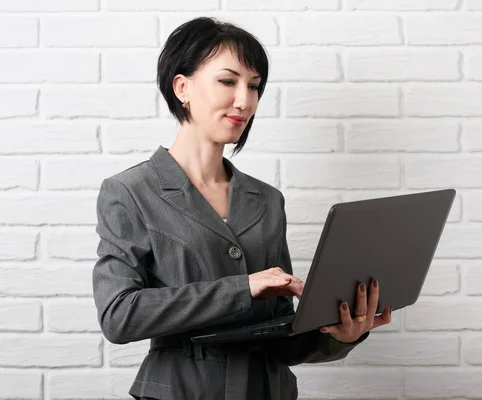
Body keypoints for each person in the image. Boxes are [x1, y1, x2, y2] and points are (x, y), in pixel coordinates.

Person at [92, 16, 392, 400]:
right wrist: (244, 287)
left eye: (254, 86)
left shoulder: (267, 200)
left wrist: (340, 334)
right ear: (182, 87)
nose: (245, 101)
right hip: (182, 391)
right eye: (228, 81)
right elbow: (119, 316)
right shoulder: (130, 192)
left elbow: (280, 337)